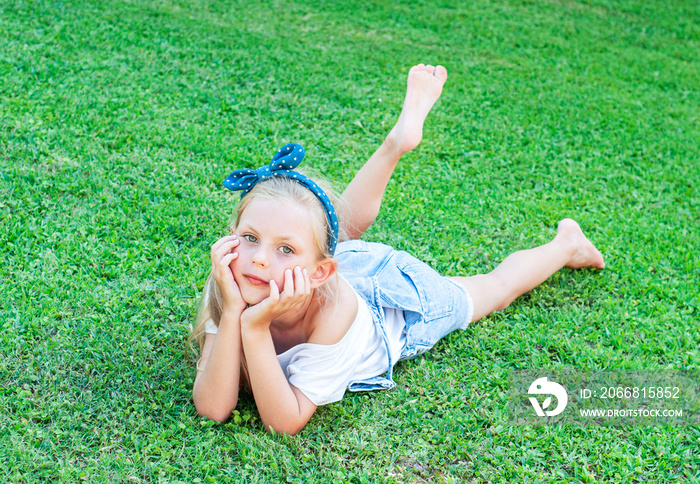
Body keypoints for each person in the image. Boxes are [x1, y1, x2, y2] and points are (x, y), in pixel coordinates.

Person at [189, 64, 605, 435]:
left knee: (490, 289)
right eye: (250, 238)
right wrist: (235, 315)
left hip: (395, 301)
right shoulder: (236, 276)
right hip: (339, 267)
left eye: (282, 249)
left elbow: (283, 422)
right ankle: (397, 142)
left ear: (318, 273)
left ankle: (565, 243)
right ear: (232, 235)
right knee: (325, 230)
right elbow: (213, 409)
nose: (259, 257)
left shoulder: (333, 314)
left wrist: (255, 327)